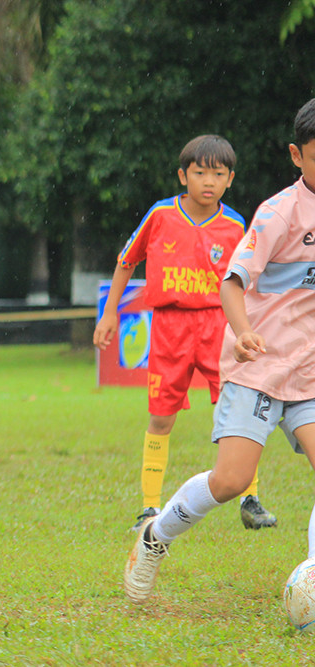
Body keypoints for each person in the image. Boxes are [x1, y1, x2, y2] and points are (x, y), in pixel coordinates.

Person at [123, 99, 315, 604]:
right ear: (297, 156)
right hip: (258, 368)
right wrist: (245, 330)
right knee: (230, 480)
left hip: (311, 373)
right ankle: (155, 537)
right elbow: (232, 283)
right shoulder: (278, 213)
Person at [93, 134, 277, 531]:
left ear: (230, 179)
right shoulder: (160, 216)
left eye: (218, 174)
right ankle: (148, 507)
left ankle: (251, 499)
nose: (208, 181)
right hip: (170, 329)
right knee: (161, 418)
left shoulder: (234, 225)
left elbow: (247, 280)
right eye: (199, 173)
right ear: (182, 175)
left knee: (238, 410)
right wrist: (109, 315)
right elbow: (127, 262)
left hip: (218, 327)